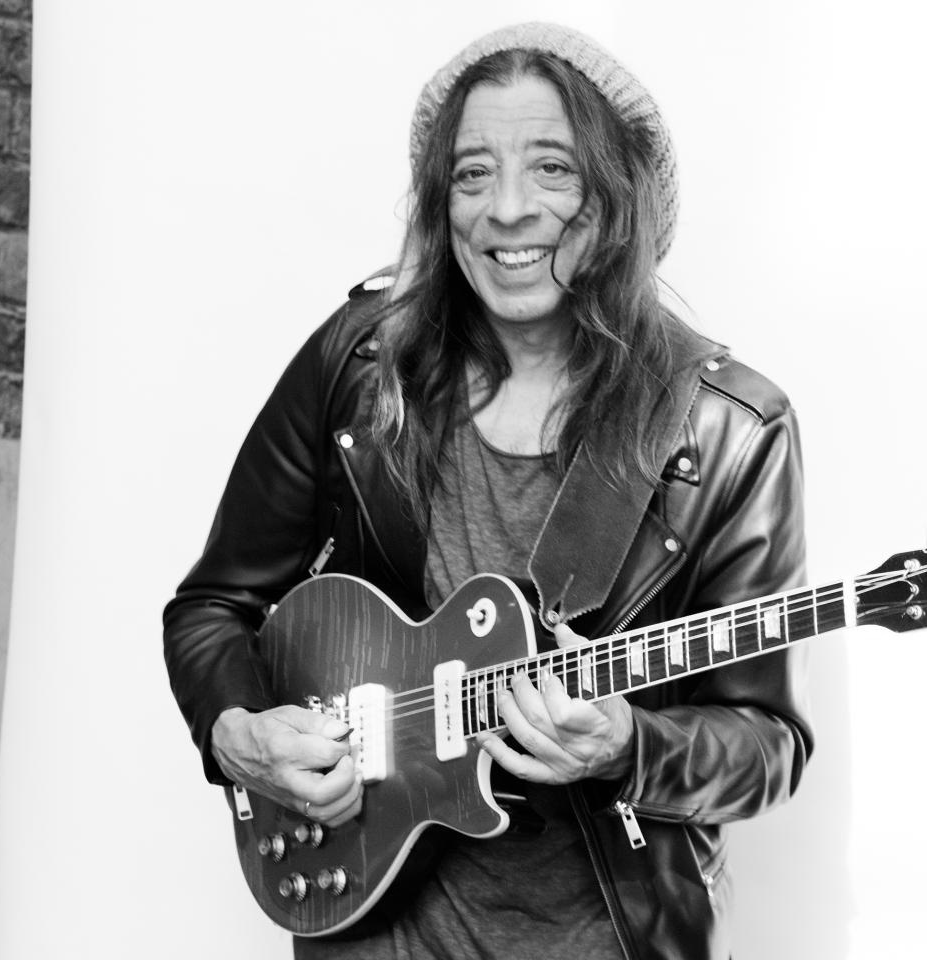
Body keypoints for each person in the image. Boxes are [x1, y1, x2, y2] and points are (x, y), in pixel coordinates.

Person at [163, 22, 812, 960]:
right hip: (367, 922)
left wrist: (629, 745)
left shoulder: (728, 429)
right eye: (473, 174)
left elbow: (769, 743)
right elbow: (212, 607)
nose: (506, 209)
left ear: (618, 196)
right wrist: (237, 731)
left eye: (553, 168)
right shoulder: (358, 365)